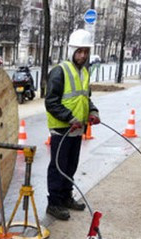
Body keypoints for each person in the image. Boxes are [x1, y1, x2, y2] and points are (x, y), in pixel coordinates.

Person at [45, 29, 100, 221]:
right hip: (62, 129)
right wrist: (69, 118)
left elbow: (85, 99)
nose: (83, 55)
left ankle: (66, 197)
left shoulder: (84, 72)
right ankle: (54, 203)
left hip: (77, 130)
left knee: (70, 166)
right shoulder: (60, 71)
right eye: (79, 51)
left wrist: (93, 112)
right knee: (58, 167)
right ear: (72, 51)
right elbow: (51, 102)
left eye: (85, 51)